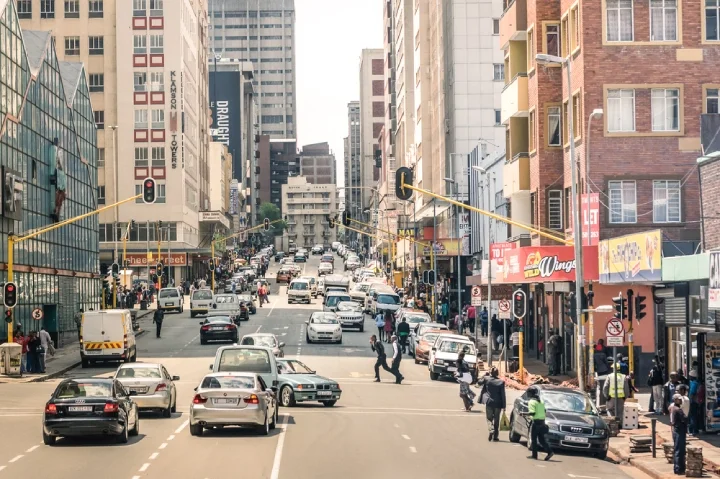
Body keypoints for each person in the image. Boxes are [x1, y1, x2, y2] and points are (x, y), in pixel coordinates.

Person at [523, 386, 553, 461]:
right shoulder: (540, 401)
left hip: (536, 422)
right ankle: (550, 452)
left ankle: (534, 455)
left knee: (534, 439)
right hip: (542, 422)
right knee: (542, 440)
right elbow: (544, 411)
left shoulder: (531, 402)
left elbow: (532, 413)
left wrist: (524, 414)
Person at [478, 366, 506, 441]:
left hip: (489, 402)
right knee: (496, 420)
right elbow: (503, 395)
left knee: (489, 418)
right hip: (498, 404)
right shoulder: (501, 382)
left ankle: (491, 429)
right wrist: (504, 406)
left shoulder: (487, 379)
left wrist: (484, 375)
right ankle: (495, 436)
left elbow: (479, 383)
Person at [669, 393, 687, 475]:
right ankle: (679, 469)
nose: (680, 400)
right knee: (680, 450)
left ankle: (678, 468)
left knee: (677, 449)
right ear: (675, 400)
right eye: (679, 399)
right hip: (679, 430)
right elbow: (685, 419)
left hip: (675, 429)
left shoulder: (672, 407)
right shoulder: (678, 410)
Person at [688, 370, 703, 436]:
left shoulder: (694, 383)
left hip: (693, 402)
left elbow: (692, 393)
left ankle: (694, 430)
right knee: (695, 415)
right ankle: (695, 429)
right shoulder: (698, 382)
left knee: (693, 416)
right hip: (697, 402)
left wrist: (689, 400)